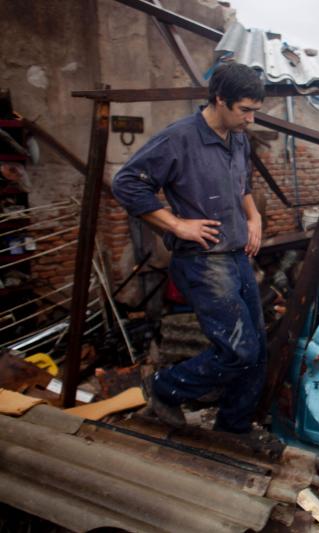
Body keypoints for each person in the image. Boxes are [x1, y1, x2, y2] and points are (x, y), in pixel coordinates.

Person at [112, 62, 267, 433]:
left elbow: (241, 184)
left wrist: (254, 216)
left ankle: (233, 429)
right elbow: (127, 183)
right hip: (203, 260)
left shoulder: (239, 136)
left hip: (237, 254)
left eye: (254, 111)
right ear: (220, 100)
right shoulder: (179, 138)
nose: (250, 119)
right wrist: (177, 224)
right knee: (237, 351)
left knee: (257, 351)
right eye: (245, 110)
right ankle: (164, 388)